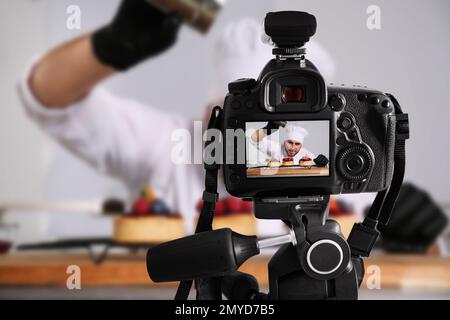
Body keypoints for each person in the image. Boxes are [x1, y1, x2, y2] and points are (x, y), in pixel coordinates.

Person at [18, 0, 336, 234]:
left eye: (266, 120)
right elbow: (46, 97)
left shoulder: (336, 173)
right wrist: (113, 45)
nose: (239, 133)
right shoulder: (168, 147)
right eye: (231, 112)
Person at [250, 122, 316, 163]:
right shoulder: (276, 148)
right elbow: (254, 139)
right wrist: (267, 129)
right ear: (284, 142)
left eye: (297, 144)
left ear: (301, 145)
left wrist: (322, 162)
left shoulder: (306, 155)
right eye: (290, 142)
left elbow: (319, 166)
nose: (293, 148)